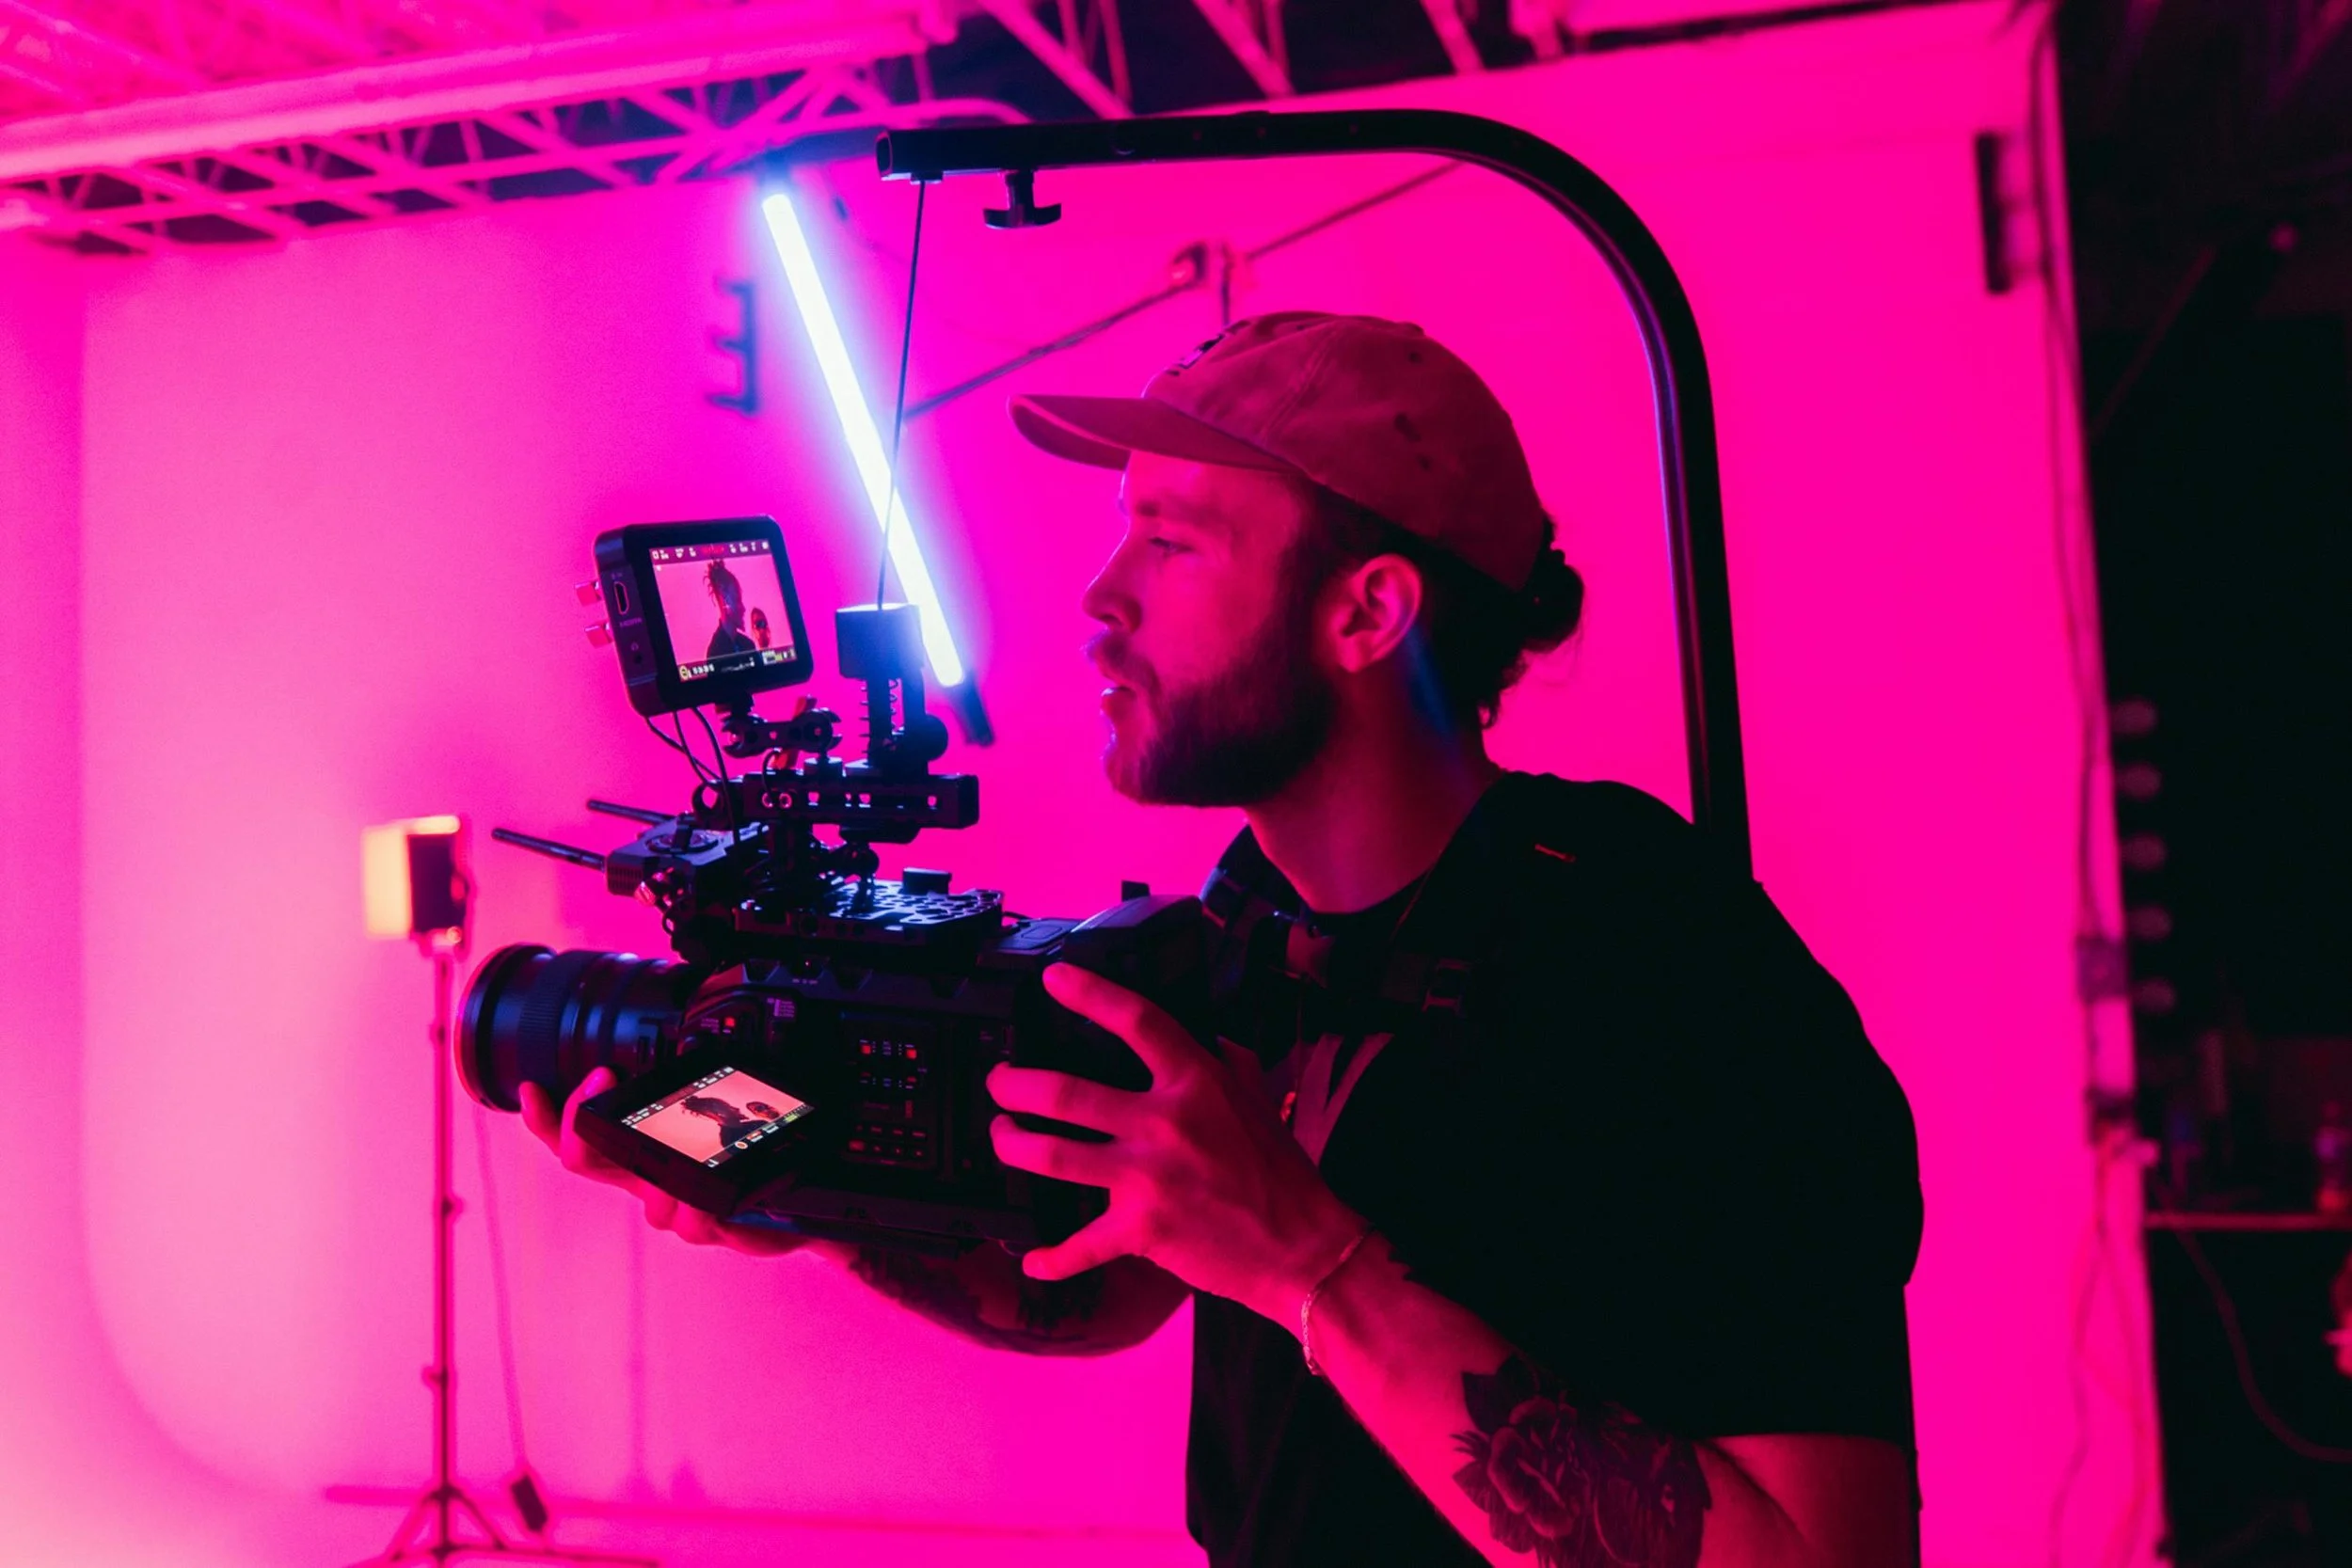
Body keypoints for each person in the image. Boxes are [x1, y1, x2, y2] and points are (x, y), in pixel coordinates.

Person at [524, 312, 1924, 1568]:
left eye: (1174, 541)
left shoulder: (1664, 969)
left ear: (1365, 609)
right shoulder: (1244, 927)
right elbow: (1110, 1279)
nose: (1102, 596)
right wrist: (812, 1199)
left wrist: (1311, 1263)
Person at [703, 560, 757, 662]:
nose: (743, 608)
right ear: (724, 599)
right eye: (737, 600)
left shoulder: (748, 645)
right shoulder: (715, 652)